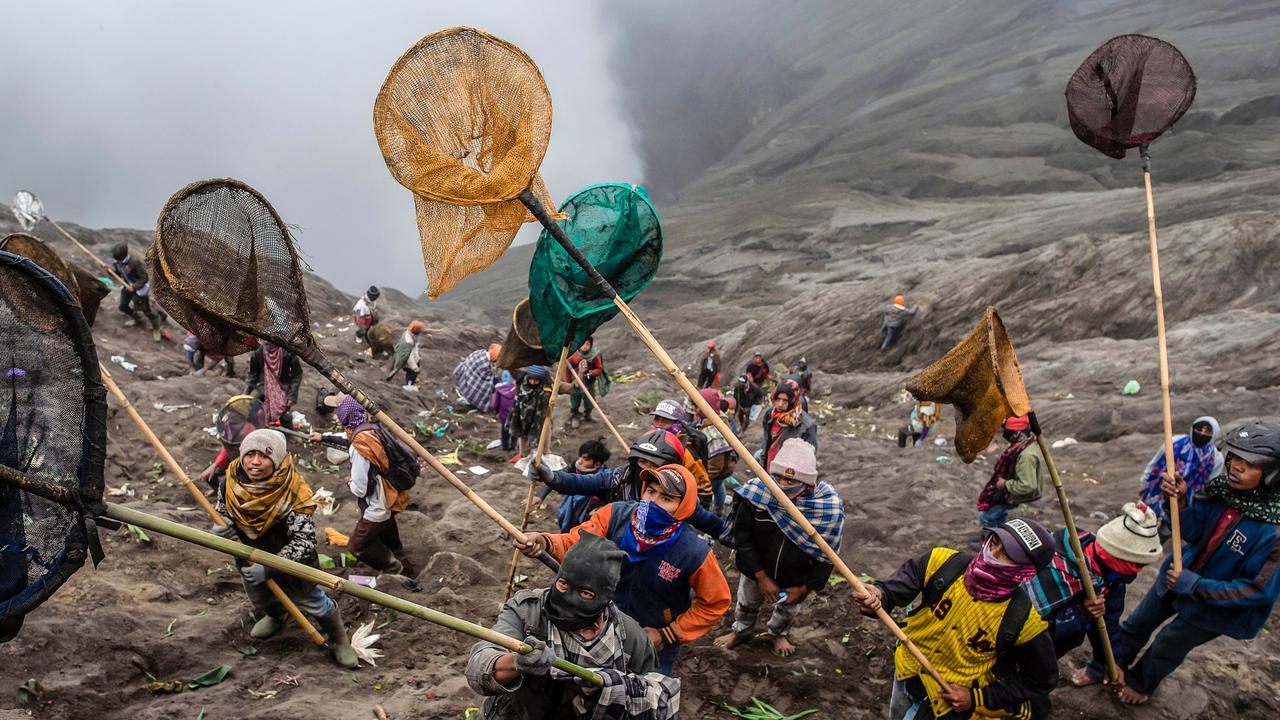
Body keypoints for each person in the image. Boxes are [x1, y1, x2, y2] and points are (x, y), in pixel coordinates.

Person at [1112, 421, 1280, 705]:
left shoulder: (1273, 531)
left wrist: (1195, 585)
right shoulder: (1221, 492)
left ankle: (1141, 683)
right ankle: (1105, 666)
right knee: (1136, 624)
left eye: (1249, 464)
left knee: (1168, 644)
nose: (1236, 467)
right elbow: (1190, 532)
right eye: (1234, 457)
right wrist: (1177, 502)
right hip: (1176, 576)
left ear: (1273, 474)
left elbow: (1257, 590)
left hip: (1213, 606)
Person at [519, 464, 732, 675]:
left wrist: (668, 633)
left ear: (683, 506)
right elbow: (577, 543)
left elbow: (716, 602)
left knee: (645, 696)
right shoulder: (615, 515)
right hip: (600, 622)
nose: (652, 502)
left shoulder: (694, 552)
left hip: (652, 637)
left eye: (666, 498)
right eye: (650, 491)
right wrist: (545, 542)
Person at [854, 518, 1058, 719]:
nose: (991, 554)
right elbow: (892, 591)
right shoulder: (941, 562)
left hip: (946, 703)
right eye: (994, 542)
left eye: (1006, 554)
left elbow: (1040, 679)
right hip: (905, 670)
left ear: (1025, 572)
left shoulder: (1023, 622)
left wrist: (976, 697)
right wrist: (877, 596)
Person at [466, 534, 680, 720]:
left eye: (585, 593)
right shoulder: (526, 612)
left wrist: (615, 686)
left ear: (604, 598)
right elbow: (479, 666)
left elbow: (651, 696)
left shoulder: (630, 638)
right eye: (563, 584)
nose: (567, 597)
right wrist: (517, 662)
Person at [211, 429, 358, 668]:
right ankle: (275, 616)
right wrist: (220, 529)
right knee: (261, 597)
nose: (255, 462)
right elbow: (223, 513)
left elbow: (304, 541)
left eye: (264, 456)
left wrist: (269, 567)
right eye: (250, 454)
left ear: (277, 459)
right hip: (249, 555)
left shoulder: (293, 490)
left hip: (291, 562)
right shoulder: (230, 481)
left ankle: (340, 639)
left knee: (313, 602)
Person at [714, 439, 842, 657]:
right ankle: (742, 630)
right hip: (757, 569)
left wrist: (805, 589)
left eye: (791, 479)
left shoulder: (825, 509)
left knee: (787, 608)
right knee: (746, 602)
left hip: (795, 577)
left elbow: (827, 555)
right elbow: (743, 538)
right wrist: (761, 576)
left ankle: (778, 632)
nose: (782, 484)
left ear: (808, 483)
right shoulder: (757, 496)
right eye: (779, 476)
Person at [1025, 502, 1162, 687]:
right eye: (1137, 564)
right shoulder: (1052, 565)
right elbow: (1024, 625)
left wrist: (1109, 661)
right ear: (1116, 555)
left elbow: (1107, 623)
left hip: (1054, 648)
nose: (1139, 572)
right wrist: (1079, 614)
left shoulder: (1111, 579)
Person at [533, 429, 725, 538]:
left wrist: (730, 536)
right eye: (642, 463)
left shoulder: (681, 495)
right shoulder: (618, 479)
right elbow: (580, 482)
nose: (647, 470)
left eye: (654, 465)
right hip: (616, 548)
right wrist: (551, 477)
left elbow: (707, 521)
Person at [333, 396, 417, 578]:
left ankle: (395, 569)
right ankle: (406, 565)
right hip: (391, 495)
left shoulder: (359, 446)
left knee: (358, 546)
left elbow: (361, 489)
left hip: (378, 503)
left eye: (338, 409)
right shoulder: (371, 430)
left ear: (345, 413)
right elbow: (347, 439)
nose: (336, 413)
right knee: (389, 537)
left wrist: (349, 482)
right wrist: (323, 437)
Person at [1137, 415, 1223, 543]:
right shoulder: (1175, 442)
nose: (1202, 433)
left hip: (1186, 498)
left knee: (1169, 525)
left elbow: (1209, 485)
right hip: (1160, 488)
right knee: (1144, 518)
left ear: (1214, 434)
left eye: (1207, 431)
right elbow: (1155, 463)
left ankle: (1156, 544)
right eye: (1199, 429)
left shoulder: (1215, 458)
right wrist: (1144, 483)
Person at [976, 416, 1044, 540]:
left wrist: (1005, 484)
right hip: (1009, 489)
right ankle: (1005, 539)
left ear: (1017, 433)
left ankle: (990, 543)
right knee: (999, 516)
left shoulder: (1026, 456)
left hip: (1013, 492)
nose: (1005, 434)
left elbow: (1028, 485)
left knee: (986, 516)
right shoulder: (1022, 445)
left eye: (1008, 431)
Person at [649, 399, 713, 509]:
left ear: (677, 425)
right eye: (656, 419)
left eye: (665, 421)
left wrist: (696, 510)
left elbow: (703, 487)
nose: (659, 424)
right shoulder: (651, 440)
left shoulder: (686, 452)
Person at [198, 395, 268, 491]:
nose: (230, 414)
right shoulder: (228, 425)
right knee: (210, 477)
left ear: (241, 414)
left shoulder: (249, 429)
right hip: (231, 458)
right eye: (229, 411)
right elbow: (227, 447)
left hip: (245, 463)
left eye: (233, 411)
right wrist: (215, 465)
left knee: (235, 484)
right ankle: (218, 492)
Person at [544, 440, 612, 532]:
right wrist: (539, 497)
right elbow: (557, 479)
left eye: (585, 459)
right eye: (580, 457)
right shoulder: (575, 468)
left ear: (597, 464)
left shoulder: (604, 483)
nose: (579, 462)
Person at [695, 388, 738, 517]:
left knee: (710, 490)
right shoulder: (718, 418)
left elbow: (716, 465)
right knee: (719, 487)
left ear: (706, 408)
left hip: (716, 471)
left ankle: (713, 513)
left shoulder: (715, 434)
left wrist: (704, 479)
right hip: (721, 469)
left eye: (698, 406)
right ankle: (719, 509)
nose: (695, 409)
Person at [244, 342, 304, 428]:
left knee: (283, 414)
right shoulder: (257, 352)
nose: (267, 342)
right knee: (251, 408)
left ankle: (287, 432)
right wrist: (246, 393)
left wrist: (292, 396)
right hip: (262, 387)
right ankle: (256, 429)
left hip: (282, 387)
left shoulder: (287, 353)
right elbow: (252, 375)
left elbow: (296, 375)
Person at [110, 243, 161, 341]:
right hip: (126, 286)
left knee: (147, 311)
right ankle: (137, 319)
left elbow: (144, 277)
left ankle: (156, 329)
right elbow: (117, 273)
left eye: (117, 258)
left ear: (122, 256)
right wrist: (109, 271)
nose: (115, 260)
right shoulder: (116, 262)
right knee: (123, 306)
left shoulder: (135, 262)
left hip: (139, 289)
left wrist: (134, 287)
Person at [761, 380, 817, 469]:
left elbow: (809, 457)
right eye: (778, 399)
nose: (780, 404)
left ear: (792, 401)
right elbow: (766, 441)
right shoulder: (770, 415)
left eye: (785, 400)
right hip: (769, 464)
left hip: (787, 473)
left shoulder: (806, 425)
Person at [505, 366, 551, 459]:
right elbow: (509, 366)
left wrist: (579, 379)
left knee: (545, 452)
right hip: (523, 421)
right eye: (531, 379)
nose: (533, 382)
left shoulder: (548, 386)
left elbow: (569, 388)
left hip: (541, 421)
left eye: (536, 380)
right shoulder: (522, 382)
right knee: (524, 453)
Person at [566, 337, 607, 429]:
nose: (584, 346)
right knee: (575, 401)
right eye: (583, 344)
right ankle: (575, 415)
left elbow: (599, 368)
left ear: (591, 345)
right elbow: (567, 370)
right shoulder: (573, 356)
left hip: (589, 384)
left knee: (589, 401)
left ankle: (587, 414)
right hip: (576, 384)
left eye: (587, 344)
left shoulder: (594, 356)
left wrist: (591, 373)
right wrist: (568, 384)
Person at [454, 344, 501, 412]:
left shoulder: (480, 352)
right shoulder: (485, 365)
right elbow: (487, 382)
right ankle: (475, 402)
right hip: (470, 378)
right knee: (486, 387)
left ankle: (467, 397)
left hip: (465, 373)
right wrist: (496, 385)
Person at [385, 320, 427, 391]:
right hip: (410, 363)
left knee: (412, 374)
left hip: (412, 357)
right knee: (411, 374)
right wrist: (415, 368)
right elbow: (409, 358)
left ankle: (410, 383)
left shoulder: (407, 333)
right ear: (417, 331)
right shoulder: (409, 342)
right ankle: (409, 386)